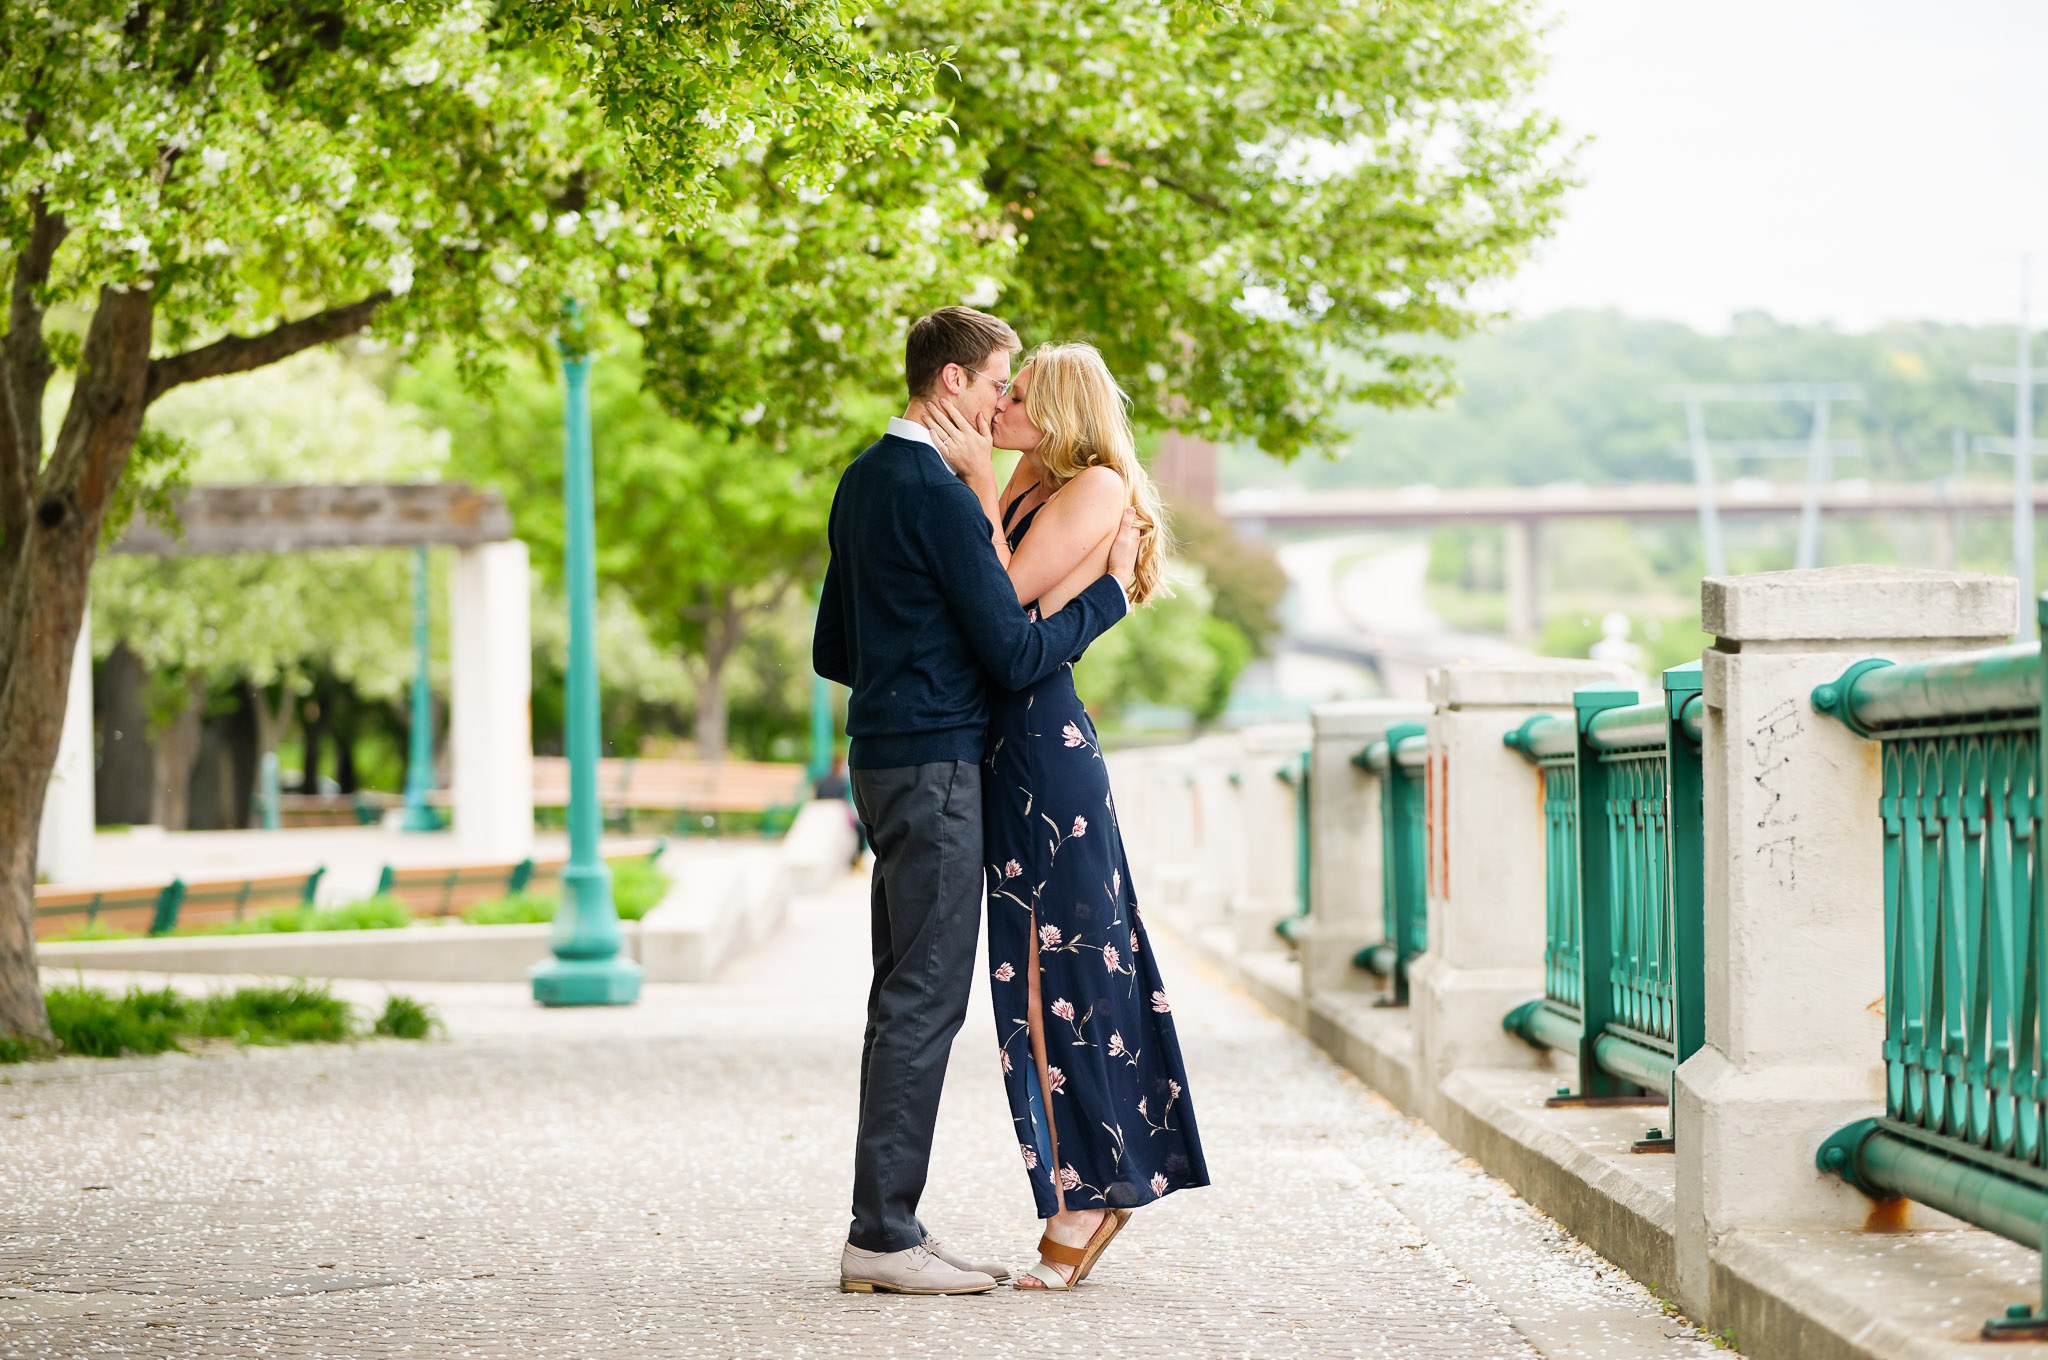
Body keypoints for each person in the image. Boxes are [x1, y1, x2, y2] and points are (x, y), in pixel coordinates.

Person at [812, 307, 1142, 1296]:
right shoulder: (943, 492)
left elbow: (834, 647)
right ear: (951, 381)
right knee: (924, 997)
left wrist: (910, 662)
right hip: (938, 768)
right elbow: (1010, 650)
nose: (1003, 401)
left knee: (899, 992)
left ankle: (887, 1227)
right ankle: (884, 1235)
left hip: (879, 760)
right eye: (998, 380)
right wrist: (1109, 595)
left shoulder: (865, 478)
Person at [925, 342, 1209, 1291]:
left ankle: (1089, 1196)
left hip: (1048, 756)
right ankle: (1079, 1186)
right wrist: (987, 483)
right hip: (1005, 750)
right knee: (1024, 983)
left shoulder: (1093, 487)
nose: (997, 405)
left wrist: (974, 479)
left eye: (1015, 396)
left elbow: (1000, 602)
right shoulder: (1027, 480)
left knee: (1066, 979)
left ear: (1053, 409)